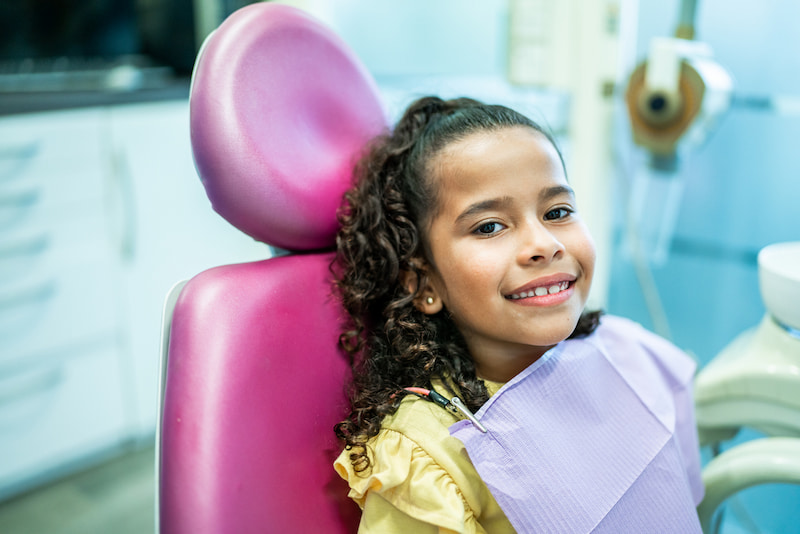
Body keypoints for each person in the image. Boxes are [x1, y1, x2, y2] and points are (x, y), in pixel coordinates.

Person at [332, 96, 703, 533]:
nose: (544, 244)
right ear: (423, 282)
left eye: (557, 212)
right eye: (489, 226)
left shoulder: (623, 351)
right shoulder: (425, 455)